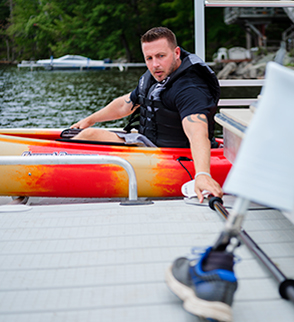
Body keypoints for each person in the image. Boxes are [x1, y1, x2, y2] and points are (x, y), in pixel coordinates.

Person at [70, 26, 223, 203]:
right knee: (88, 132)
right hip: (152, 144)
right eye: (148, 58)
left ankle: (61, 167)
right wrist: (89, 120)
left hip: (175, 156)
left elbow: (198, 132)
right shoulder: (157, 77)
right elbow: (124, 105)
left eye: (161, 56)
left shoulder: (189, 89)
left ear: (177, 52)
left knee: (90, 137)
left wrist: (203, 174)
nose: (154, 64)